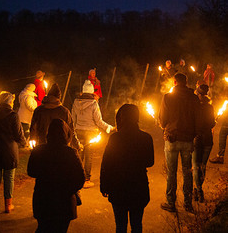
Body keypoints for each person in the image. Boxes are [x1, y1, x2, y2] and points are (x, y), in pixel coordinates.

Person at [100, 104, 154, 233]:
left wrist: (104, 185)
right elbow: (150, 162)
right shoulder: (146, 138)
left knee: (120, 225)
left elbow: (106, 164)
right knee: (136, 224)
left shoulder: (115, 138)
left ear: (121, 118)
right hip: (138, 187)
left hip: (118, 188)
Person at [28, 119, 85, 233]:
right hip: (64, 202)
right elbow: (80, 178)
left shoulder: (38, 150)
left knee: (43, 228)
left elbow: (31, 171)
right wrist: (69, 190)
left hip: (43, 199)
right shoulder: (70, 152)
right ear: (66, 134)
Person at [159, 73, 200, 213]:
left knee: (171, 172)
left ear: (175, 82)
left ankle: (171, 203)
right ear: (186, 82)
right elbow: (198, 119)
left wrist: (163, 126)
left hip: (172, 139)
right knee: (187, 172)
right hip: (188, 140)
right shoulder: (194, 98)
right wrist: (193, 134)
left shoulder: (168, 97)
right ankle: (188, 204)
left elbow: (163, 120)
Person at [72, 80, 113, 188]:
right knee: (89, 156)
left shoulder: (76, 102)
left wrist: (73, 131)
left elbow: (73, 119)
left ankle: (77, 178)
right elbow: (98, 121)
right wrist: (109, 128)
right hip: (91, 133)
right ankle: (86, 180)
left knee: (79, 155)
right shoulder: (94, 104)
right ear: (91, 92)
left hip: (79, 131)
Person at [30, 83, 81, 150]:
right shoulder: (64, 111)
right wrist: (76, 146)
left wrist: (33, 143)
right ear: (58, 97)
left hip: (42, 145)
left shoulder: (39, 110)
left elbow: (33, 128)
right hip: (60, 147)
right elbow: (71, 130)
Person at [192, 84, 215, 202]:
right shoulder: (210, 107)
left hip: (197, 139)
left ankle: (199, 190)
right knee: (202, 166)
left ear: (199, 94)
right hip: (208, 139)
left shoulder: (194, 107)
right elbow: (212, 123)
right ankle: (198, 189)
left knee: (196, 166)